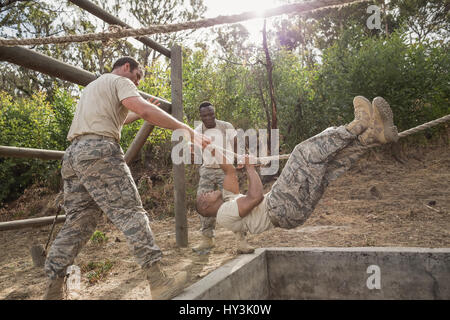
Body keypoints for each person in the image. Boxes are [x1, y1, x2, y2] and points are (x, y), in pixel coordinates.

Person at [43, 56, 210, 300]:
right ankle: (158, 281)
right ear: (126, 67)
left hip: (73, 156)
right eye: (136, 77)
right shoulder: (120, 80)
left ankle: (53, 289)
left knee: (79, 223)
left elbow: (122, 115)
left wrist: (140, 111)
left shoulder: (93, 87)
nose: (136, 82)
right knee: (131, 213)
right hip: (100, 152)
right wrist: (188, 131)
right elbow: (143, 108)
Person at [196, 96, 398, 237]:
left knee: (324, 168)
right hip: (279, 207)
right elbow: (255, 197)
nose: (206, 193)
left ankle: (372, 137)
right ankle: (356, 126)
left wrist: (211, 147)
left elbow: (229, 170)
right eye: (204, 196)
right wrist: (250, 168)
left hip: (290, 213)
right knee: (302, 152)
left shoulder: (229, 200)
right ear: (205, 206)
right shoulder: (223, 215)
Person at [192, 101, 254, 254]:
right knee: (203, 203)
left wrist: (240, 158)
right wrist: (192, 150)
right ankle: (207, 239)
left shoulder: (226, 126)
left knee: (233, 202)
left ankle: (241, 241)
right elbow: (194, 150)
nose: (208, 117)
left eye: (211, 114)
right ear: (200, 116)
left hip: (225, 171)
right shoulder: (198, 130)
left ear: (214, 113)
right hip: (206, 170)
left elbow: (236, 143)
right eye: (205, 115)